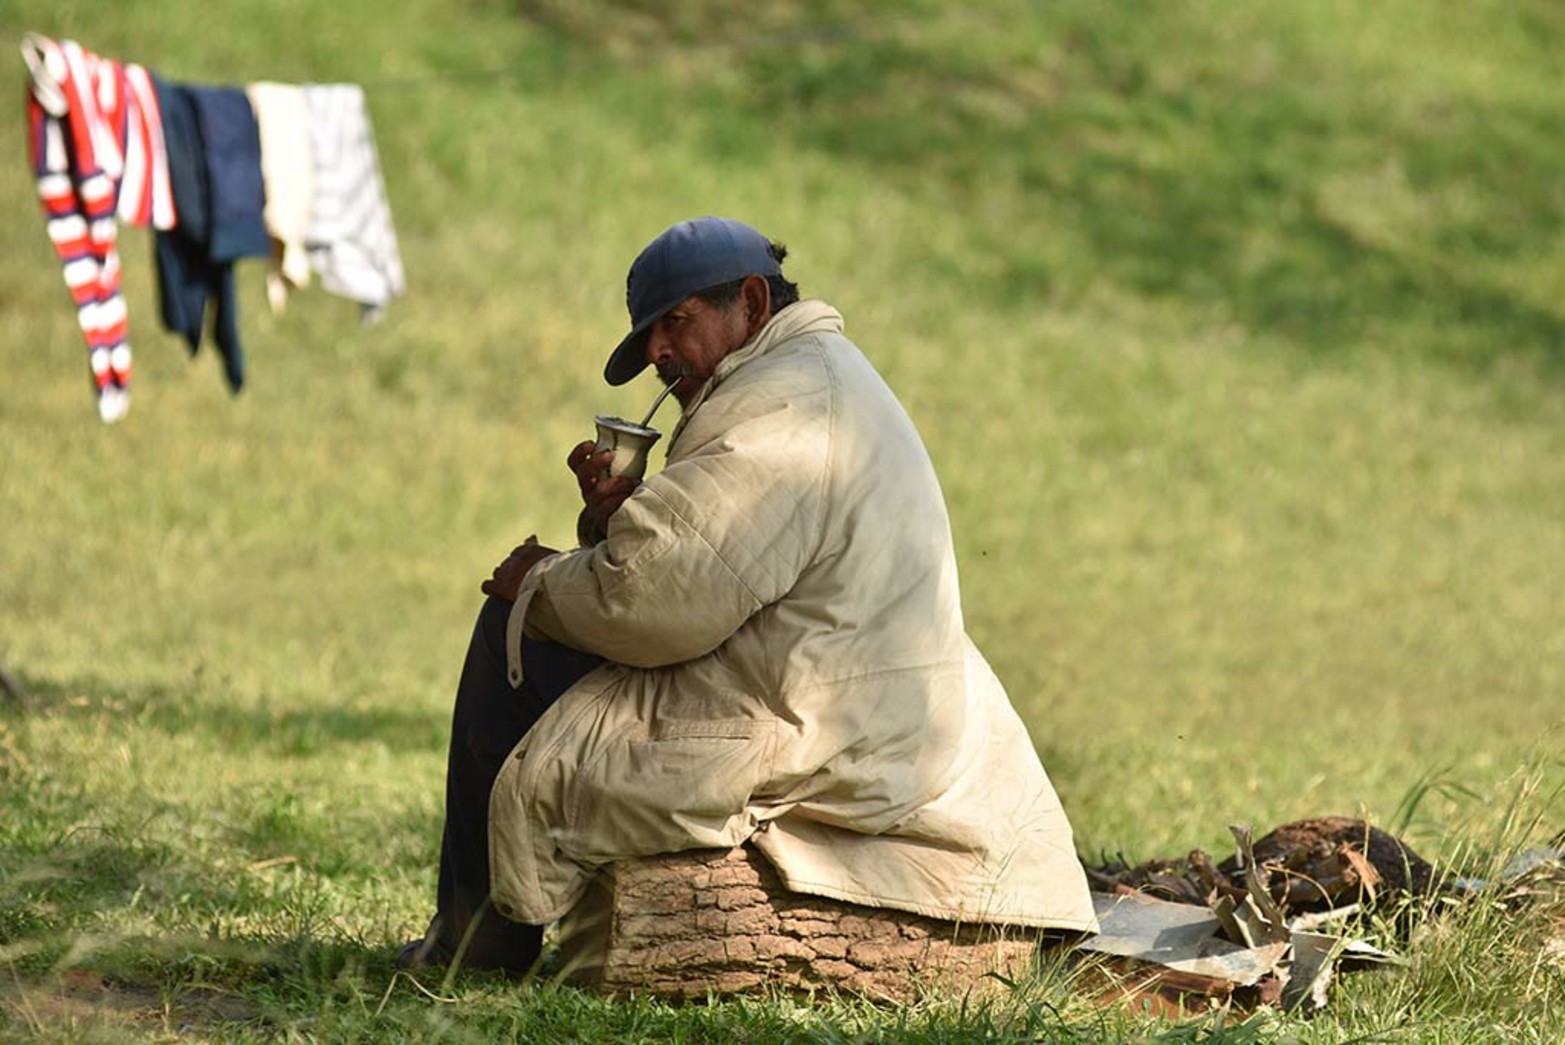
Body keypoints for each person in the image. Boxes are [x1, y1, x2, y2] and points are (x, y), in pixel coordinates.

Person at [399, 216, 1097, 974]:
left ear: (753, 303)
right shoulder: (801, 376)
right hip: (829, 687)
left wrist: (537, 582)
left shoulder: (786, 406)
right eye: (649, 339)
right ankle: (485, 930)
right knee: (536, 619)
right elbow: (701, 562)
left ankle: (474, 947)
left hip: (823, 717)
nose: (660, 353)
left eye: (676, 323)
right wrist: (609, 521)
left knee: (514, 626)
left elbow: (654, 606)